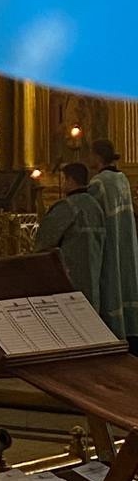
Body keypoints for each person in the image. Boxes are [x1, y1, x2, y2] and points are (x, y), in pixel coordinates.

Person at [88, 140, 138, 349]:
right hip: (125, 240)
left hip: (108, 243)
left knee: (111, 283)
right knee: (126, 279)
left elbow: (90, 215)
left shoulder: (98, 183)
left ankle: (113, 335)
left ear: (97, 156)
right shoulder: (122, 178)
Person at [34, 162, 104, 309]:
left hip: (70, 277)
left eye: (64, 179)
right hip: (95, 275)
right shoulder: (95, 205)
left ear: (70, 180)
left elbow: (45, 240)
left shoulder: (67, 206)